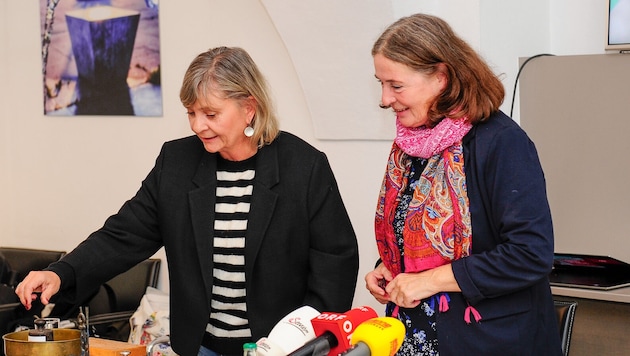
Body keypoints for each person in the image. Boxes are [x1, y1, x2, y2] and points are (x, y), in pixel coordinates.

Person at [16, 46, 360, 356]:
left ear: (249, 108)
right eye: (191, 113)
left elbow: (335, 264)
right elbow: (124, 234)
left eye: (211, 114)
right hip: (201, 346)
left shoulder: (304, 166)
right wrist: (62, 273)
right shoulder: (176, 162)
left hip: (282, 348)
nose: (198, 125)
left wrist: (306, 341)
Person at [364, 14, 562, 355]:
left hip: (490, 341)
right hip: (414, 336)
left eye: (396, 85)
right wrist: (388, 267)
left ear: (441, 77)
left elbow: (530, 254)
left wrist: (427, 281)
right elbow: (419, 236)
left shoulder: (502, 142)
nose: (384, 99)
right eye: (381, 83)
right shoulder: (411, 146)